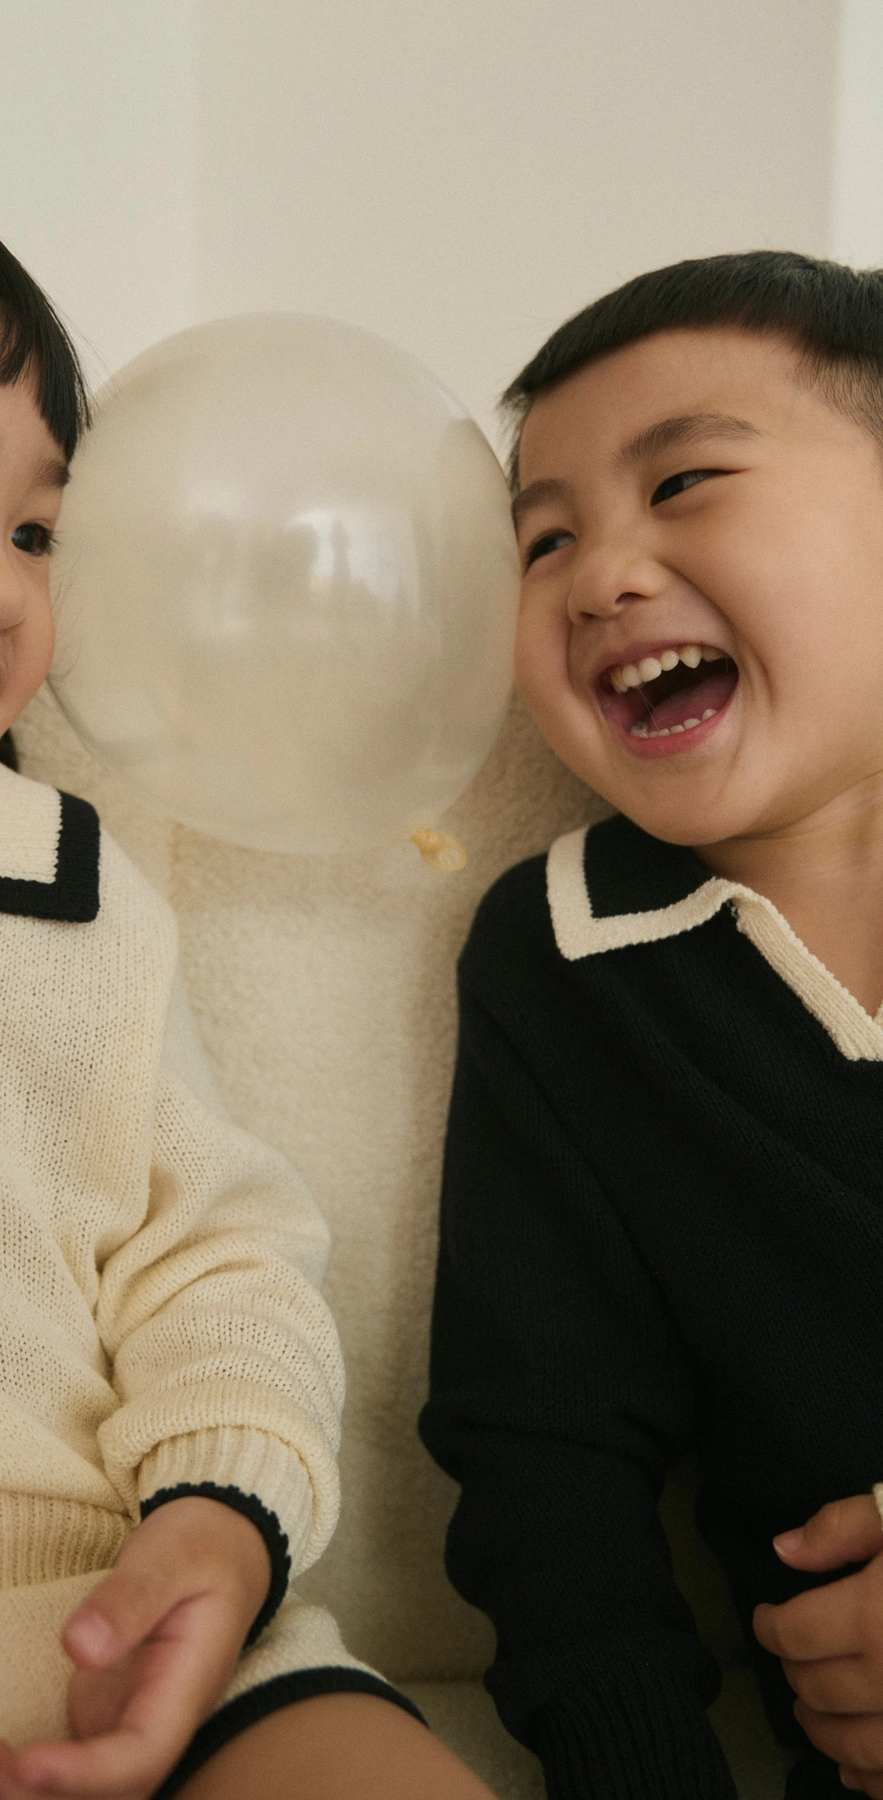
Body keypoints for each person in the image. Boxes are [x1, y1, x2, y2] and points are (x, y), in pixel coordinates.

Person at [0, 136, 494, 1800]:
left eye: (41, 529)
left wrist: (221, 1519)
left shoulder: (64, 892)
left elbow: (218, 1260)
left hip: (118, 1611)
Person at [419, 249, 883, 1800]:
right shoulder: (562, 961)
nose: (599, 575)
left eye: (684, 482)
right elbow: (545, 1460)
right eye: (541, 541)